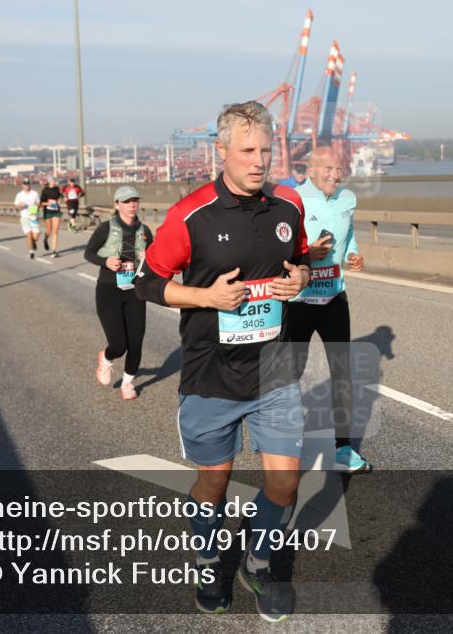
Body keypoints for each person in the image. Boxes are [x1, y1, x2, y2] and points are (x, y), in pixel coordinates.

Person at [134, 101, 311, 622]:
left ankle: (255, 561)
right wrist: (206, 298)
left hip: (275, 372)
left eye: (266, 150)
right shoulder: (190, 215)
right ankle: (209, 557)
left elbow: (302, 258)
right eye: (248, 150)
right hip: (211, 377)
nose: (259, 161)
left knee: (284, 484)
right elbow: (145, 282)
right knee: (213, 484)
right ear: (222, 151)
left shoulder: (287, 210)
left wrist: (300, 277)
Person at [284, 146, 369, 473]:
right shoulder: (293, 200)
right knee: (291, 373)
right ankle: (286, 440)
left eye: (340, 169)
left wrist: (354, 255)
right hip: (300, 301)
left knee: (343, 374)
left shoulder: (348, 199)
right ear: (312, 169)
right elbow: (282, 249)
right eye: (331, 169)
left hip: (335, 297)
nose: (337, 175)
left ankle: (344, 449)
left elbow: (349, 239)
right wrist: (308, 253)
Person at [84, 186, 152, 400]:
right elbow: (89, 253)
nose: (132, 205)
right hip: (108, 291)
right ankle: (106, 357)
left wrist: (148, 256)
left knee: (136, 340)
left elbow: (156, 260)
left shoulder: (145, 231)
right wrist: (106, 261)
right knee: (119, 344)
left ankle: (128, 383)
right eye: (126, 201)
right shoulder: (106, 228)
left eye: (134, 201)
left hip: (135, 291)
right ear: (117, 205)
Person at [14, 179, 41, 258]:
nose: (27, 185)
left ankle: (33, 243)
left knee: (35, 236)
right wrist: (20, 205)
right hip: (24, 217)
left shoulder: (35, 193)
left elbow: (39, 203)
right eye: (25, 184)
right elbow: (15, 206)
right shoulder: (19, 195)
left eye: (28, 183)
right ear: (22, 185)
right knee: (29, 235)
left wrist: (37, 205)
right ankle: (31, 252)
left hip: (34, 217)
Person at [40, 177, 63, 257]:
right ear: (49, 182)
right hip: (48, 212)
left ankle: (54, 251)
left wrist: (60, 201)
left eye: (55, 181)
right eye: (52, 181)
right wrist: (48, 204)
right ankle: (45, 238)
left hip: (56, 211)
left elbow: (60, 197)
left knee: (55, 231)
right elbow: (41, 203)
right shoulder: (45, 190)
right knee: (49, 231)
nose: (54, 182)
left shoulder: (57, 189)